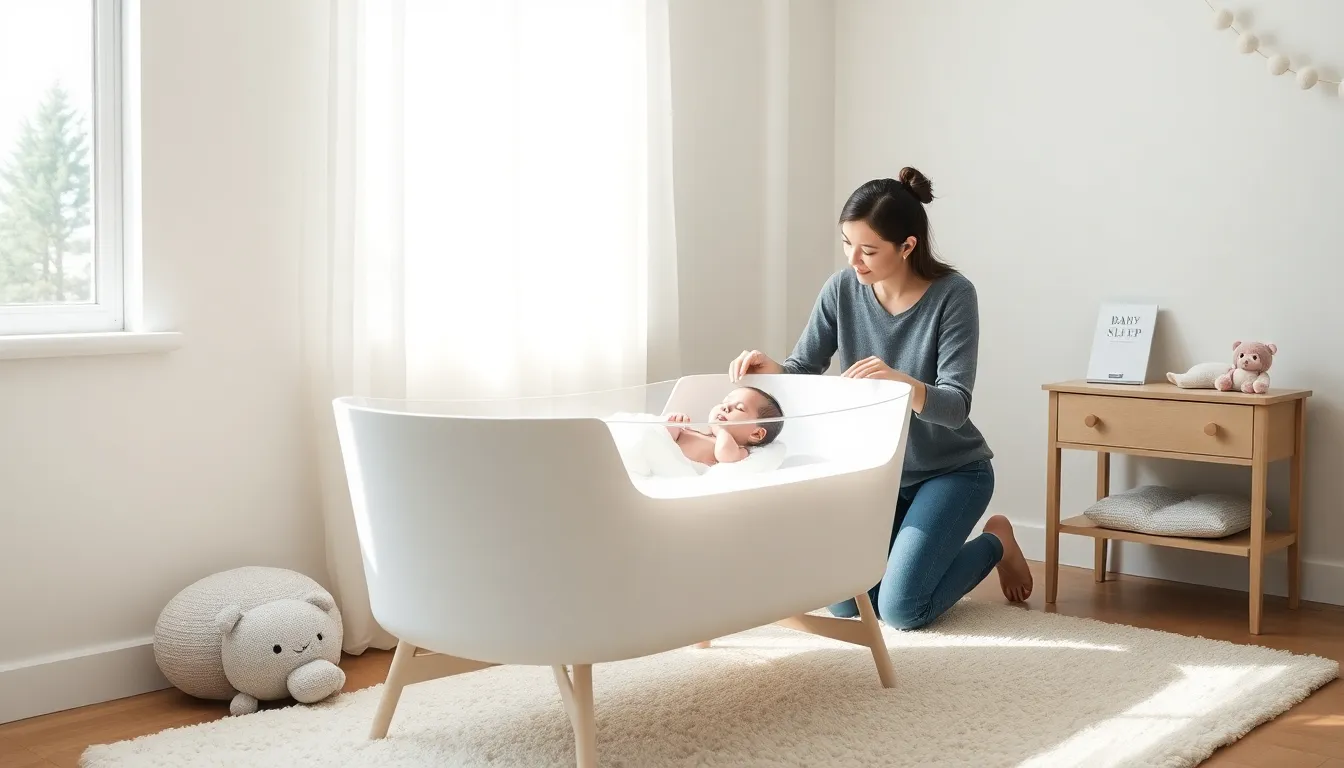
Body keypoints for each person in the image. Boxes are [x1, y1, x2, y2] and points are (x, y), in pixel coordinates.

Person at [726, 167, 1032, 630]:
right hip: (882, 476)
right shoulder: (842, 289)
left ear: (907, 246)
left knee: (901, 610)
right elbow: (802, 369)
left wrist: (903, 384)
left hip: (952, 472)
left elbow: (956, 407)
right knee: (846, 603)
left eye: (868, 250)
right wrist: (771, 371)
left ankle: (997, 543)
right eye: (847, 244)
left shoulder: (953, 295)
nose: (854, 261)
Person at [664, 386, 784, 467]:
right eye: (724, 402)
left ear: (756, 434)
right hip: (662, 455)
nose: (726, 407)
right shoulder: (702, 433)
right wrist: (676, 422)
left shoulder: (740, 450)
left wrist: (721, 431)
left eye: (739, 408)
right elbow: (664, 437)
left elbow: (725, 456)